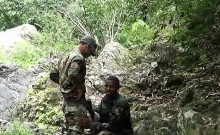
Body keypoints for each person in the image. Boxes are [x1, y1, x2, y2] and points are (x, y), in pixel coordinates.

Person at [49, 35, 97, 135]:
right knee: (76, 131)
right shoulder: (78, 58)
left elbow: (53, 74)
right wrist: (79, 87)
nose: (89, 55)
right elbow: (72, 74)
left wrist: (65, 85)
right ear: (87, 46)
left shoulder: (66, 56)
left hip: (66, 102)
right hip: (75, 103)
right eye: (90, 52)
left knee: (67, 131)